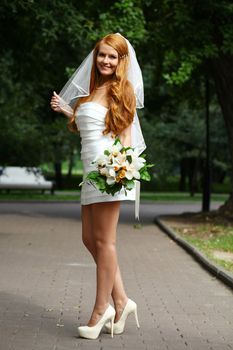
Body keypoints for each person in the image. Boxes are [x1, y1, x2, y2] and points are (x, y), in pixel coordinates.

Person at [50, 33, 145, 340]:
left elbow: (126, 136)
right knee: (90, 239)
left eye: (111, 57)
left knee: (105, 242)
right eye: (102, 55)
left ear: (121, 61)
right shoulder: (94, 90)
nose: (105, 60)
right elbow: (90, 126)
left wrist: (121, 170)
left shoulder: (122, 90)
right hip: (90, 171)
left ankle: (100, 310)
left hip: (110, 173)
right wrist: (68, 111)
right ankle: (122, 301)